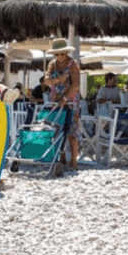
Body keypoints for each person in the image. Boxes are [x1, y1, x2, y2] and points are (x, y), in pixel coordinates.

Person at [41, 38, 81, 171]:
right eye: (56, 54)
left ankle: (74, 162)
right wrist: (59, 79)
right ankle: (62, 159)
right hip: (56, 102)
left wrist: (64, 97)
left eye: (61, 53)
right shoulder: (52, 63)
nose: (59, 56)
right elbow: (46, 81)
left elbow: (75, 85)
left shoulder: (73, 64)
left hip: (70, 101)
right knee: (58, 130)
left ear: (66, 52)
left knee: (72, 131)